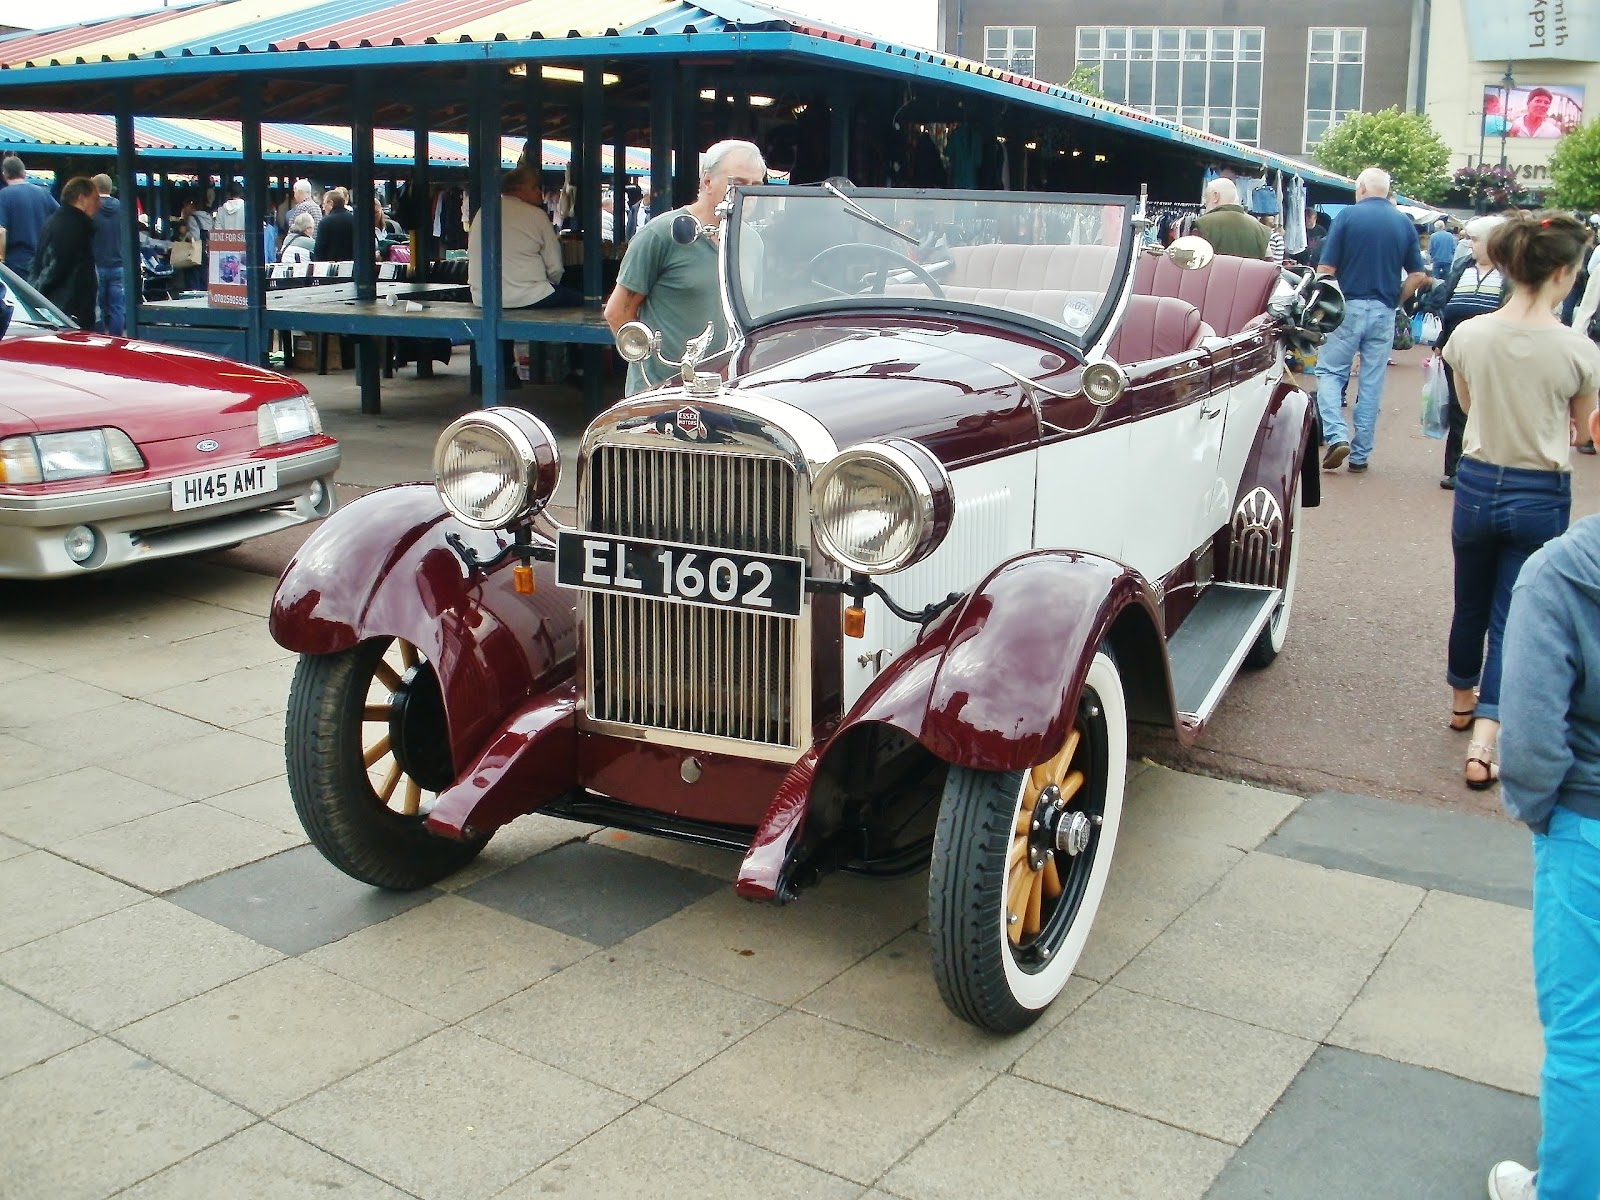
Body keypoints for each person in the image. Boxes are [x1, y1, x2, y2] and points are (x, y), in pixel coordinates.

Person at [1441, 211, 1599, 790]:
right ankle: (1486, 741)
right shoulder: (1578, 350)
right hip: (1540, 490)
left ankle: (1461, 698)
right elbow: (1583, 431)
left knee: (1470, 601)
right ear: (1561, 272)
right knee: (1515, 614)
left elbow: (1464, 401)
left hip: (1478, 481)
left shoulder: (1470, 334)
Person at [1489, 448, 1600, 1200]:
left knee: (1583, 1034)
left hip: (1587, 824)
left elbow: (1529, 739)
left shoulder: (1562, 574)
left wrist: (1535, 810)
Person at [605, 139, 767, 395]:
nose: (748, 194)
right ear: (707, 181)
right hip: (663, 392)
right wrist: (652, 376)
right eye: (737, 183)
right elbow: (618, 313)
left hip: (727, 391)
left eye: (756, 186)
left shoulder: (752, 242)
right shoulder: (661, 234)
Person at [1313, 166, 1431, 473]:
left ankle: (1337, 434)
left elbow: (1326, 270)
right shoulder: (1403, 223)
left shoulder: (1347, 218)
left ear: (1362, 188)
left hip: (1347, 306)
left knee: (1329, 371)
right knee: (1372, 382)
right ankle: (1361, 455)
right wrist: (1396, 300)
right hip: (1383, 310)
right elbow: (1418, 275)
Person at [1428, 214, 1508, 489]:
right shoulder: (1462, 266)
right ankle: (1456, 468)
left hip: (1494, 349)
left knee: (1489, 404)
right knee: (1458, 407)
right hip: (1457, 345)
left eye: (1475, 240)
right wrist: (1441, 340)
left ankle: (1487, 463)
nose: (1469, 244)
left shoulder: (1509, 272)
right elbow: (1447, 303)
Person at [467, 167, 578, 310]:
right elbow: (555, 268)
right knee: (585, 302)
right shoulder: (537, 215)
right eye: (534, 188)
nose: (540, 192)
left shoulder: (483, 212)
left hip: (482, 299)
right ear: (518, 189)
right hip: (528, 297)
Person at [31, 175, 101, 329]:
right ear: (81, 198)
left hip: (61, 310)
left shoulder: (55, 221)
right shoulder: (73, 227)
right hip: (69, 313)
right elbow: (55, 267)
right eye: (95, 199)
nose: (99, 205)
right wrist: (38, 294)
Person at [0, 154, 60, 281]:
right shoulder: (43, 193)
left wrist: (1, 260)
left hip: (16, 263)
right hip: (41, 260)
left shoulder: (3, 196)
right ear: (24, 172)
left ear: (4, 174)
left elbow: (1, 231)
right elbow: (62, 220)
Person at [1193, 177, 1270, 260]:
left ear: (1216, 196)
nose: (1204, 202)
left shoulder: (1201, 224)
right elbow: (1270, 265)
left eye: (1206, 197)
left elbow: (1192, 263)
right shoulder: (1261, 230)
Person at [88, 173, 126, 335]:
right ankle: (117, 341)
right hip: (119, 264)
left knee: (98, 308)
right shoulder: (123, 208)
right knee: (117, 308)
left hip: (96, 265)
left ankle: (100, 340)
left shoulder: (91, 208)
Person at [312, 188, 355, 261]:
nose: (323, 207)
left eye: (324, 203)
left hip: (332, 266)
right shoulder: (354, 219)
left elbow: (319, 250)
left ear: (331, 203)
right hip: (352, 266)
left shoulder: (325, 222)